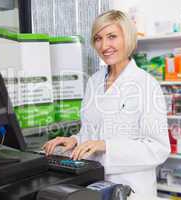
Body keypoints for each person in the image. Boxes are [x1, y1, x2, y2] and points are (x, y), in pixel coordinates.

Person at [43, 10, 170, 197]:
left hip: (131, 189)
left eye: (112, 37)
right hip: (93, 183)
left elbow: (158, 149)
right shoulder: (94, 81)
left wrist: (106, 145)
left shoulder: (146, 84)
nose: (104, 45)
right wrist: (75, 140)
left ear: (126, 38)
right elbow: (91, 132)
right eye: (98, 38)